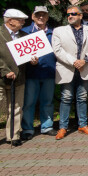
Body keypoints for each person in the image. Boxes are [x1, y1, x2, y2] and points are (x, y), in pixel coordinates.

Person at [52, 5, 88, 140]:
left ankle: (83, 125)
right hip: (67, 68)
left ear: (80, 15)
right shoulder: (59, 31)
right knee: (66, 97)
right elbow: (57, 50)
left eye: (73, 14)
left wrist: (84, 60)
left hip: (85, 68)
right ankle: (63, 127)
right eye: (68, 14)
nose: (70, 16)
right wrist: (74, 61)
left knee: (83, 97)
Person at [0, 9, 37, 146]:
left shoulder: (24, 36)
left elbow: (28, 55)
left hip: (19, 78)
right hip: (1, 78)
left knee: (16, 108)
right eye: (20, 20)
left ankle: (13, 135)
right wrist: (4, 71)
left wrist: (33, 61)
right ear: (10, 21)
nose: (23, 23)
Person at [21, 6, 57, 140]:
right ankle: (28, 129)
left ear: (47, 17)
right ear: (33, 16)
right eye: (38, 15)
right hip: (31, 74)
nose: (41, 17)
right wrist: (29, 61)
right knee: (29, 103)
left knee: (47, 102)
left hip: (49, 73)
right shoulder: (25, 32)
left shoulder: (53, 33)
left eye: (44, 15)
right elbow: (19, 55)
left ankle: (47, 126)